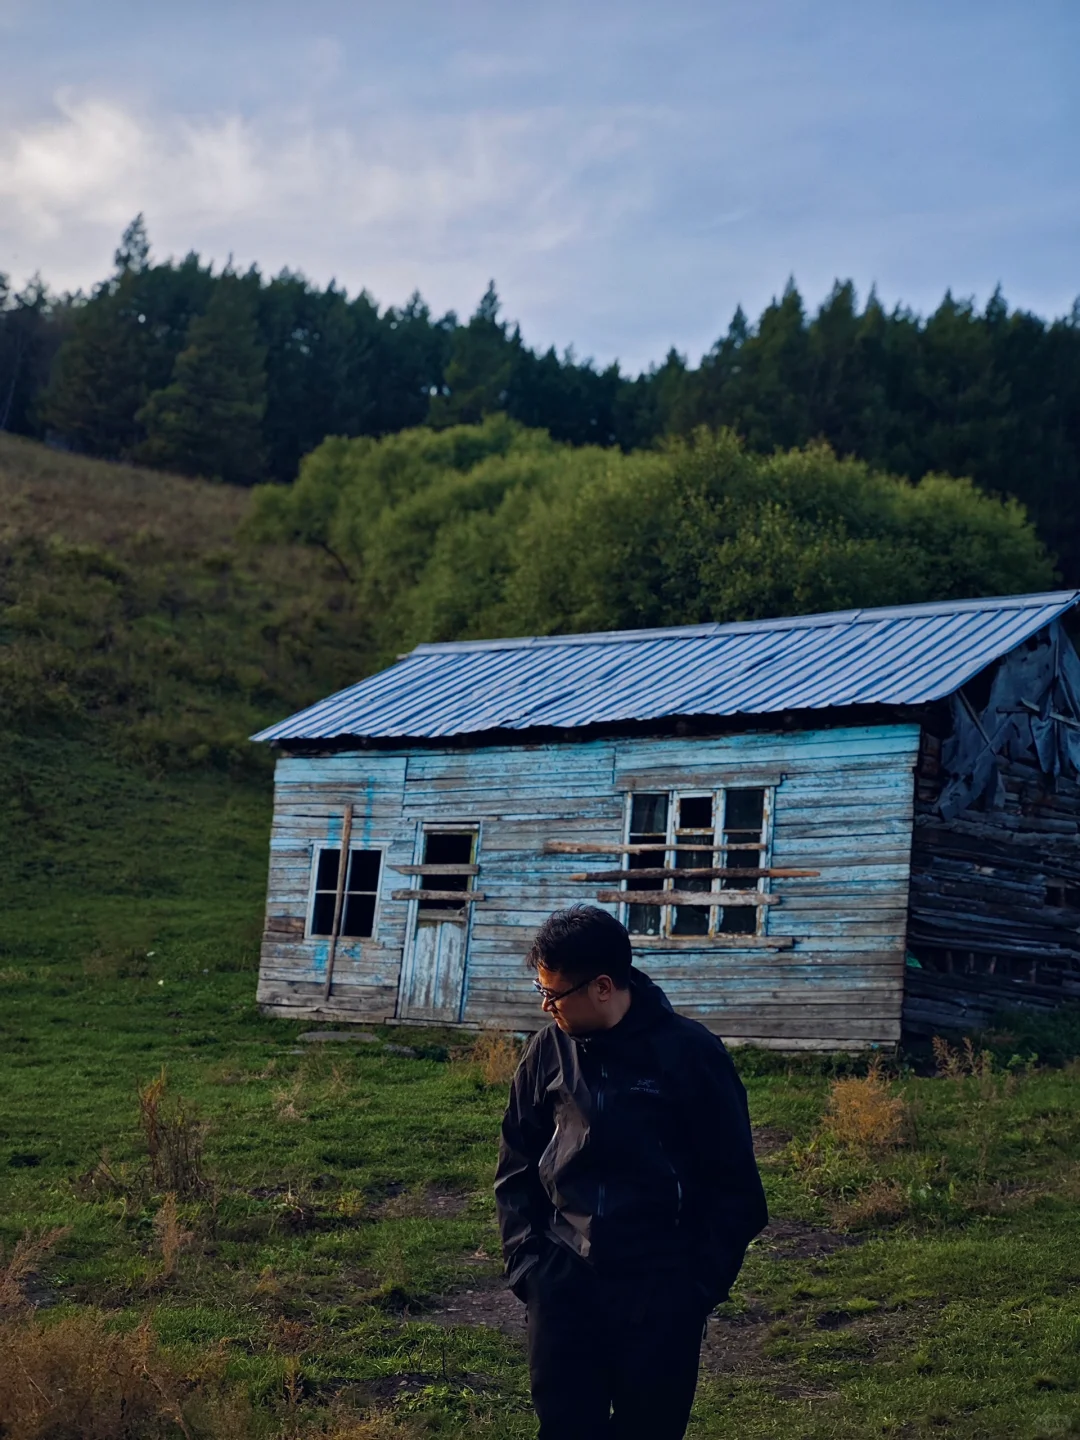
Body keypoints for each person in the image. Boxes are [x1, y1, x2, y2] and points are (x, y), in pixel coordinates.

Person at [495, 904, 767, 1440]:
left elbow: (736, 1190)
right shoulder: (546, 1051)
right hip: (564, 1288)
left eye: (554, 993)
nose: (545, 1005)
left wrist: (694, 1291)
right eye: (540, 990)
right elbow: (516, 1166)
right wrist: (531, 1270)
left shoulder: (690, 1055)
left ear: (602, 986)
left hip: (660, 1295)